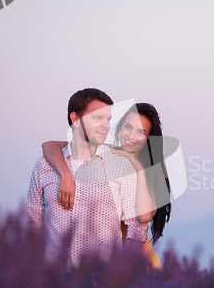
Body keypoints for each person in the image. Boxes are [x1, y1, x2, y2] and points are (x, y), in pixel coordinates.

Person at [27, 88, 147, 269]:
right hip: (55, 280)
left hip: (102, 281)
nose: (106, 125)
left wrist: (122, 270)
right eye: (98, 118)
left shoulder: (121, 166)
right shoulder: (44, 166)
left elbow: (137, 228)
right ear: (75, 119)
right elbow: (33, 221)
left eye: (108, 119)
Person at [42, 103, 172, 269]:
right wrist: (65, 174)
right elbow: (49, 146)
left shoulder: (150, 173)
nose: (131, 136)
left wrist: (137, 166)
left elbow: (145, 216)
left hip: (136, 261)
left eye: (141, 132)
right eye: (128, 127)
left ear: (148, 139)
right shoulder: (103, 153)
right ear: (119, 128)